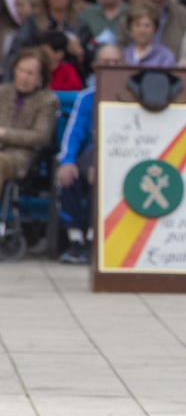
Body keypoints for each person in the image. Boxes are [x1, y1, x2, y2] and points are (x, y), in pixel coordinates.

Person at [55, 44, 121, 264]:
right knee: (68, 174)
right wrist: (67, 161)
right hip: (90, 154)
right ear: (94, 66)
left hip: (122, 157)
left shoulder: (133, 96)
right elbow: (74, 133)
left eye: (116, 63)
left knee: (104, 175)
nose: (111, 67)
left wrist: (106, 164)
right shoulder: (87, 97)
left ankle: (96, 240)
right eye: (105, 62)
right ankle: (75, 240)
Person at [6, 0, 91, 80]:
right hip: (38, 83)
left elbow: (91, 63)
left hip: (73, 84)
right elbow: (16, 54)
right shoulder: (32, 22)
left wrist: (80, 54)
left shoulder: (81, 25)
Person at [0, 48, 58, 189]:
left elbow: (40, 136)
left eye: (30, 73)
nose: (24, 77)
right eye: (21, 70)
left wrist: (4, 134)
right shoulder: (3, 92)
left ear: (41, 77)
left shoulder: (48, 100)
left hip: (23, 156)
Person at [121, 2, 176, 68]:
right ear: (130, 28)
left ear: (155, 28)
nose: (142, 30)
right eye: (137, 25)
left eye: (147, 25)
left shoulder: (166, 57)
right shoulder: (122, 55)